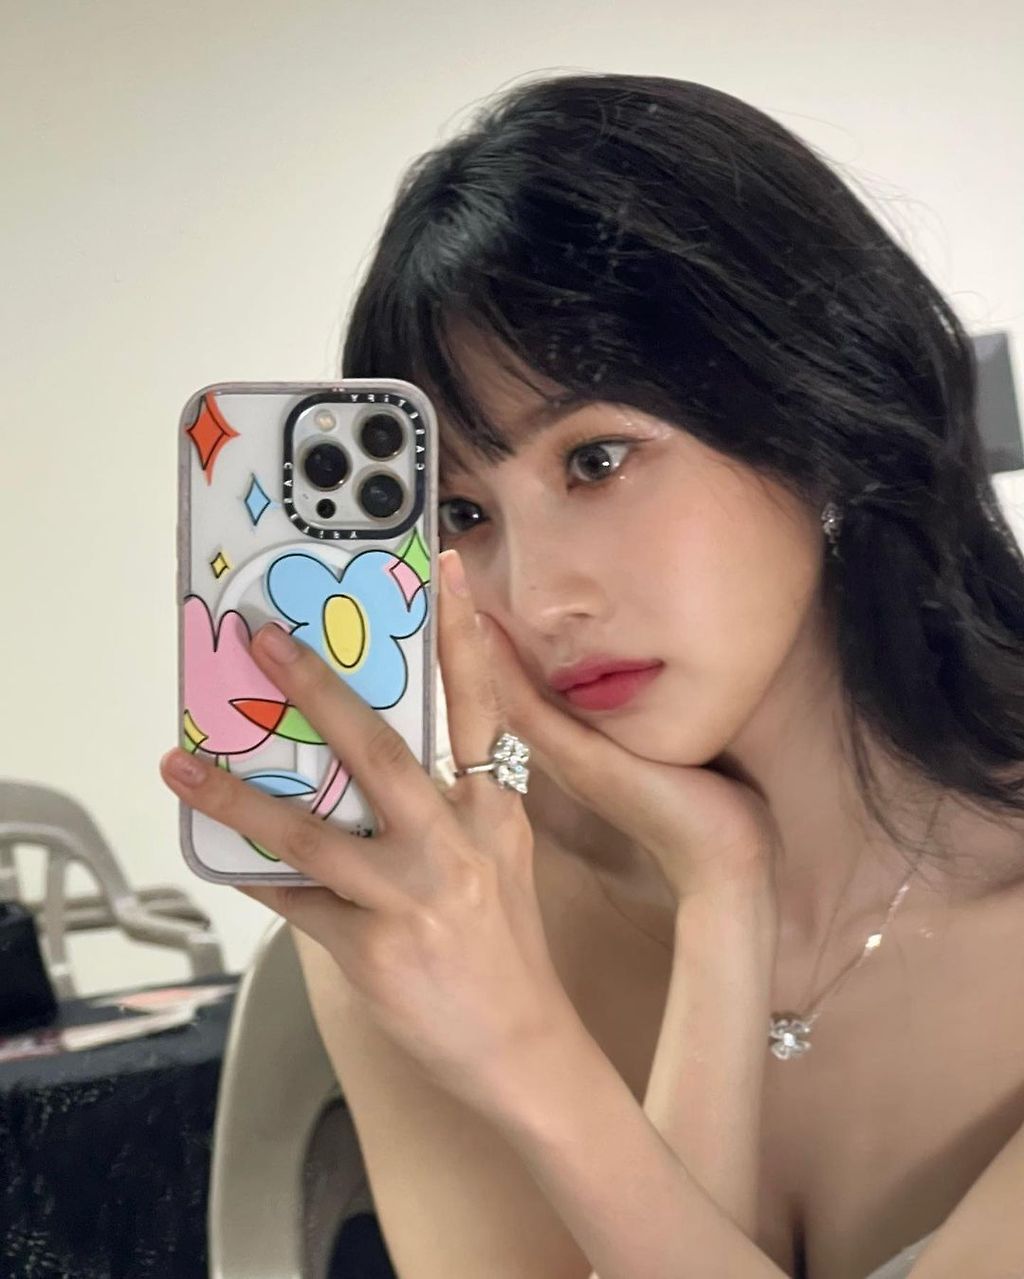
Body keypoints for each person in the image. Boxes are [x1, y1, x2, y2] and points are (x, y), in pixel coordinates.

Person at [160, 74, 1024, 1278]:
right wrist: (721, 897)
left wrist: (527, 1059)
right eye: (463, 513)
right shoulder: (441, 931)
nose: (535, 597)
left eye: (598, 459)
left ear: (818, 418)